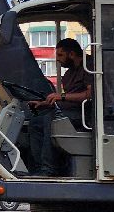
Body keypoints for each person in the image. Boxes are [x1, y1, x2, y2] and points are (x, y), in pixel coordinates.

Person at [24, 38, 93, 174]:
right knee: (35, 123)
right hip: (71, 111)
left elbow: (89, 95)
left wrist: (60, 96)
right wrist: (45, 103)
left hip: (86, 114)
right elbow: (68, 98)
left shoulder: (89, 66)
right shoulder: (69, 74)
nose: (57, 59)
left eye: (60, 55)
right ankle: (38, 167)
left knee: (51, 120)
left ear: (72, 54)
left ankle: (49, 169)